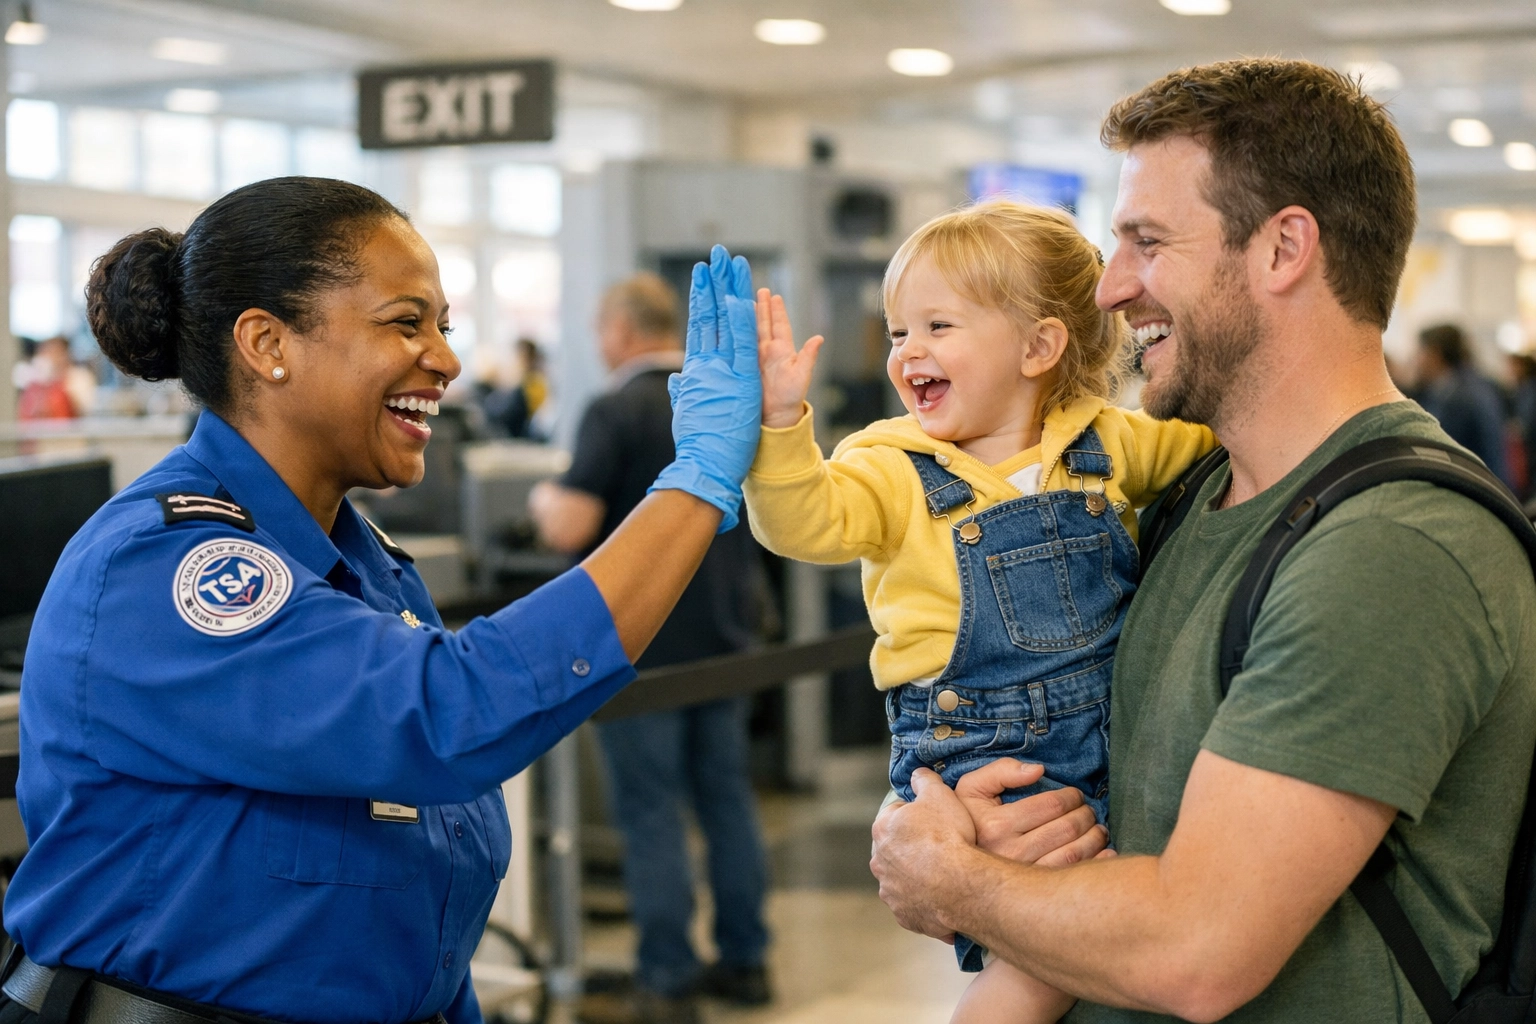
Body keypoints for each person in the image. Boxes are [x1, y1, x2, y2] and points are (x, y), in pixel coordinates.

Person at [3, 178, 765, 1024]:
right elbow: (449, 712)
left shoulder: (366, 567)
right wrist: (692, 485)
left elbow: (413, 916)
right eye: (406, 322)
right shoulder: (165, 565)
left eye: (443, 325)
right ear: (266, 343)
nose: (444, 358)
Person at [869, 58, 1536, 1023]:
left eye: (1146, 242)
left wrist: (953, 882)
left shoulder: (1392, 547)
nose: (1108, 289)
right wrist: (974, 821)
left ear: (1283, 249)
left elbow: (1200, 953)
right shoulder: (1194, 494)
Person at [743, 202, 1214, 1023]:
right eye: (898, 333)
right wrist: (781, 427)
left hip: (1106, 730)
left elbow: (1219, 445)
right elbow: (802, 521)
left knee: (1114, 927)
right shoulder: (894, 466)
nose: (909, 352)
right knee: (1039, 962)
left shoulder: (1106, 441)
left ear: (1039, 347)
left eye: (937, 325)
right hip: (978, 746)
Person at [529, 273, 771, 1024]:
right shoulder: (719, 402)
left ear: (621, 330)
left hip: (643, 646)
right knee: (727, 802)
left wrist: (540, 498)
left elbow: (570, 527)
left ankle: (667, 977)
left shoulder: (616, 406)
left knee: (651, 810)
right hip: (726, 638)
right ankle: (746, 962)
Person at [1416, 322, 1514, 488]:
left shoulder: (1456, 399)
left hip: (1477, 489)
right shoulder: (1476, 384)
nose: (1417, 360)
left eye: (1420, 352)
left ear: (1435, 353)